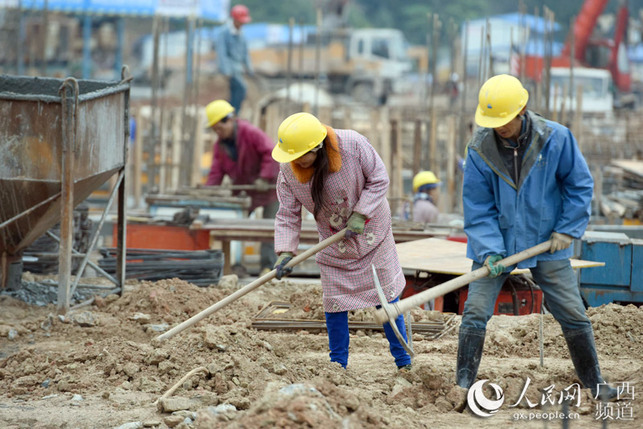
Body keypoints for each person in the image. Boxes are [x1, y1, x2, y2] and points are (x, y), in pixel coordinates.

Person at [457, 74, 617, 400]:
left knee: (573, 313)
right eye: (494, 121)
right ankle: (461, 386)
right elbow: (478, 206)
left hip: (547, 241)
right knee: (475, 311)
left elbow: (579, 186)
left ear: (522, 110)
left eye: (505, 120)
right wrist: (489, 250)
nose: (499, 127)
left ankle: (595, 383)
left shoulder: (556, 139)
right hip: (497, 246)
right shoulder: (480, 149)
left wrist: (568, 229)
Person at [270, 112, 412, 371]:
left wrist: (361, 212)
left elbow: (380, 178)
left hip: (373, 233)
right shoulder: (288, 171)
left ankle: (404, 362)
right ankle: (338, 367)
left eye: (300, 156)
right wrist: (285, 251)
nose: (295, 162)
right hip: (334, 242)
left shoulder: (353, 146)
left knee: (387, 298)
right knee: (334, 302)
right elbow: (288, 213)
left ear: (318, 147)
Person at [205, 99, 279, 274]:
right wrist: (209, 192)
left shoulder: (250, 132)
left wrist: (264, 177)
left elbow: (271, 152)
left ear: (229, 119)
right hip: (245, 192)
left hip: (268, 190)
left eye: (219, 128)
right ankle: (235, 265)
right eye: (215, 130)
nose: (218, 133)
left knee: (270, 228)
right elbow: (216, 171)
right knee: (237, 228)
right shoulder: (220, 146)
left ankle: (268, 268)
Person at [216, 4, 254, 114]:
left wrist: (249, 69)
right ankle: (232, 113)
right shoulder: (224, 33)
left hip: (238, 69)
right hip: (230, 69)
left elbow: (245, 54)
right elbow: (222, 53)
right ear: (234, 19)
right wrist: (226, 71)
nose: (242, 24)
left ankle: (232, 113)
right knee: (241, 88)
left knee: (237, 91)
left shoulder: (242, 34)